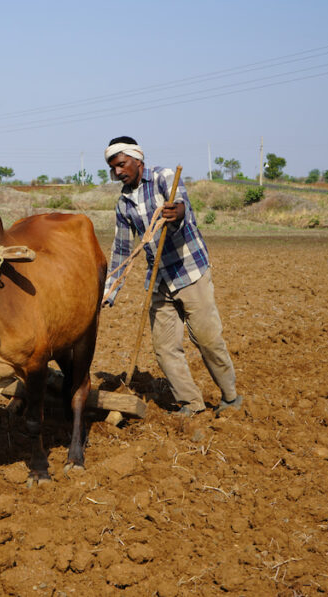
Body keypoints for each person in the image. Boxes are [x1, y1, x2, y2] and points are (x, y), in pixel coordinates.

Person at [102, 136, 243, 416]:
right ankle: (192, 404)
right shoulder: (123, 204)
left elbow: (184, 209)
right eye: (113, 168)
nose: (118, 172)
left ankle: (230, 397)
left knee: (208, 340)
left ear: (137, 159)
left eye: (121, 164)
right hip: (159, 280)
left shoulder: (165, 178)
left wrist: (174, 213)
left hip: (190, 271)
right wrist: (110, 291)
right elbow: (121, 249)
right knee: (165, 348)